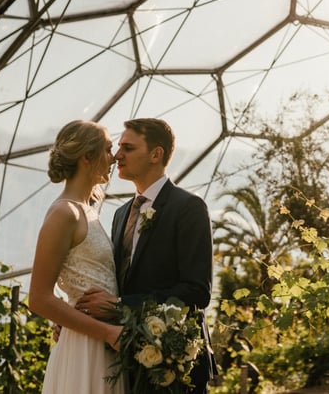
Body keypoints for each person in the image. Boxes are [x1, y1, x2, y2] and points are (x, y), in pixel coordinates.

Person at [76, 117, 217, 393]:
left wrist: (121, 305)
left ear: (156, 154)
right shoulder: (120, 214)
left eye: (128, 148)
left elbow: (197, 291)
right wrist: (77, 319)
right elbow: (116, 282)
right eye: (118, 147)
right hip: (126, 361)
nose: (117, 156)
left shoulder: (188, 207)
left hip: (176, 364)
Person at [29, 120, 124, 394]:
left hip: (102, 343)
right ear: (87, 157)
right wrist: (108, 333)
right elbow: (38, 298)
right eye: (107, 149)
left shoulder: (88, 211)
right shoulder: (64, 213)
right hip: (87, 348)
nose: (113, 158)